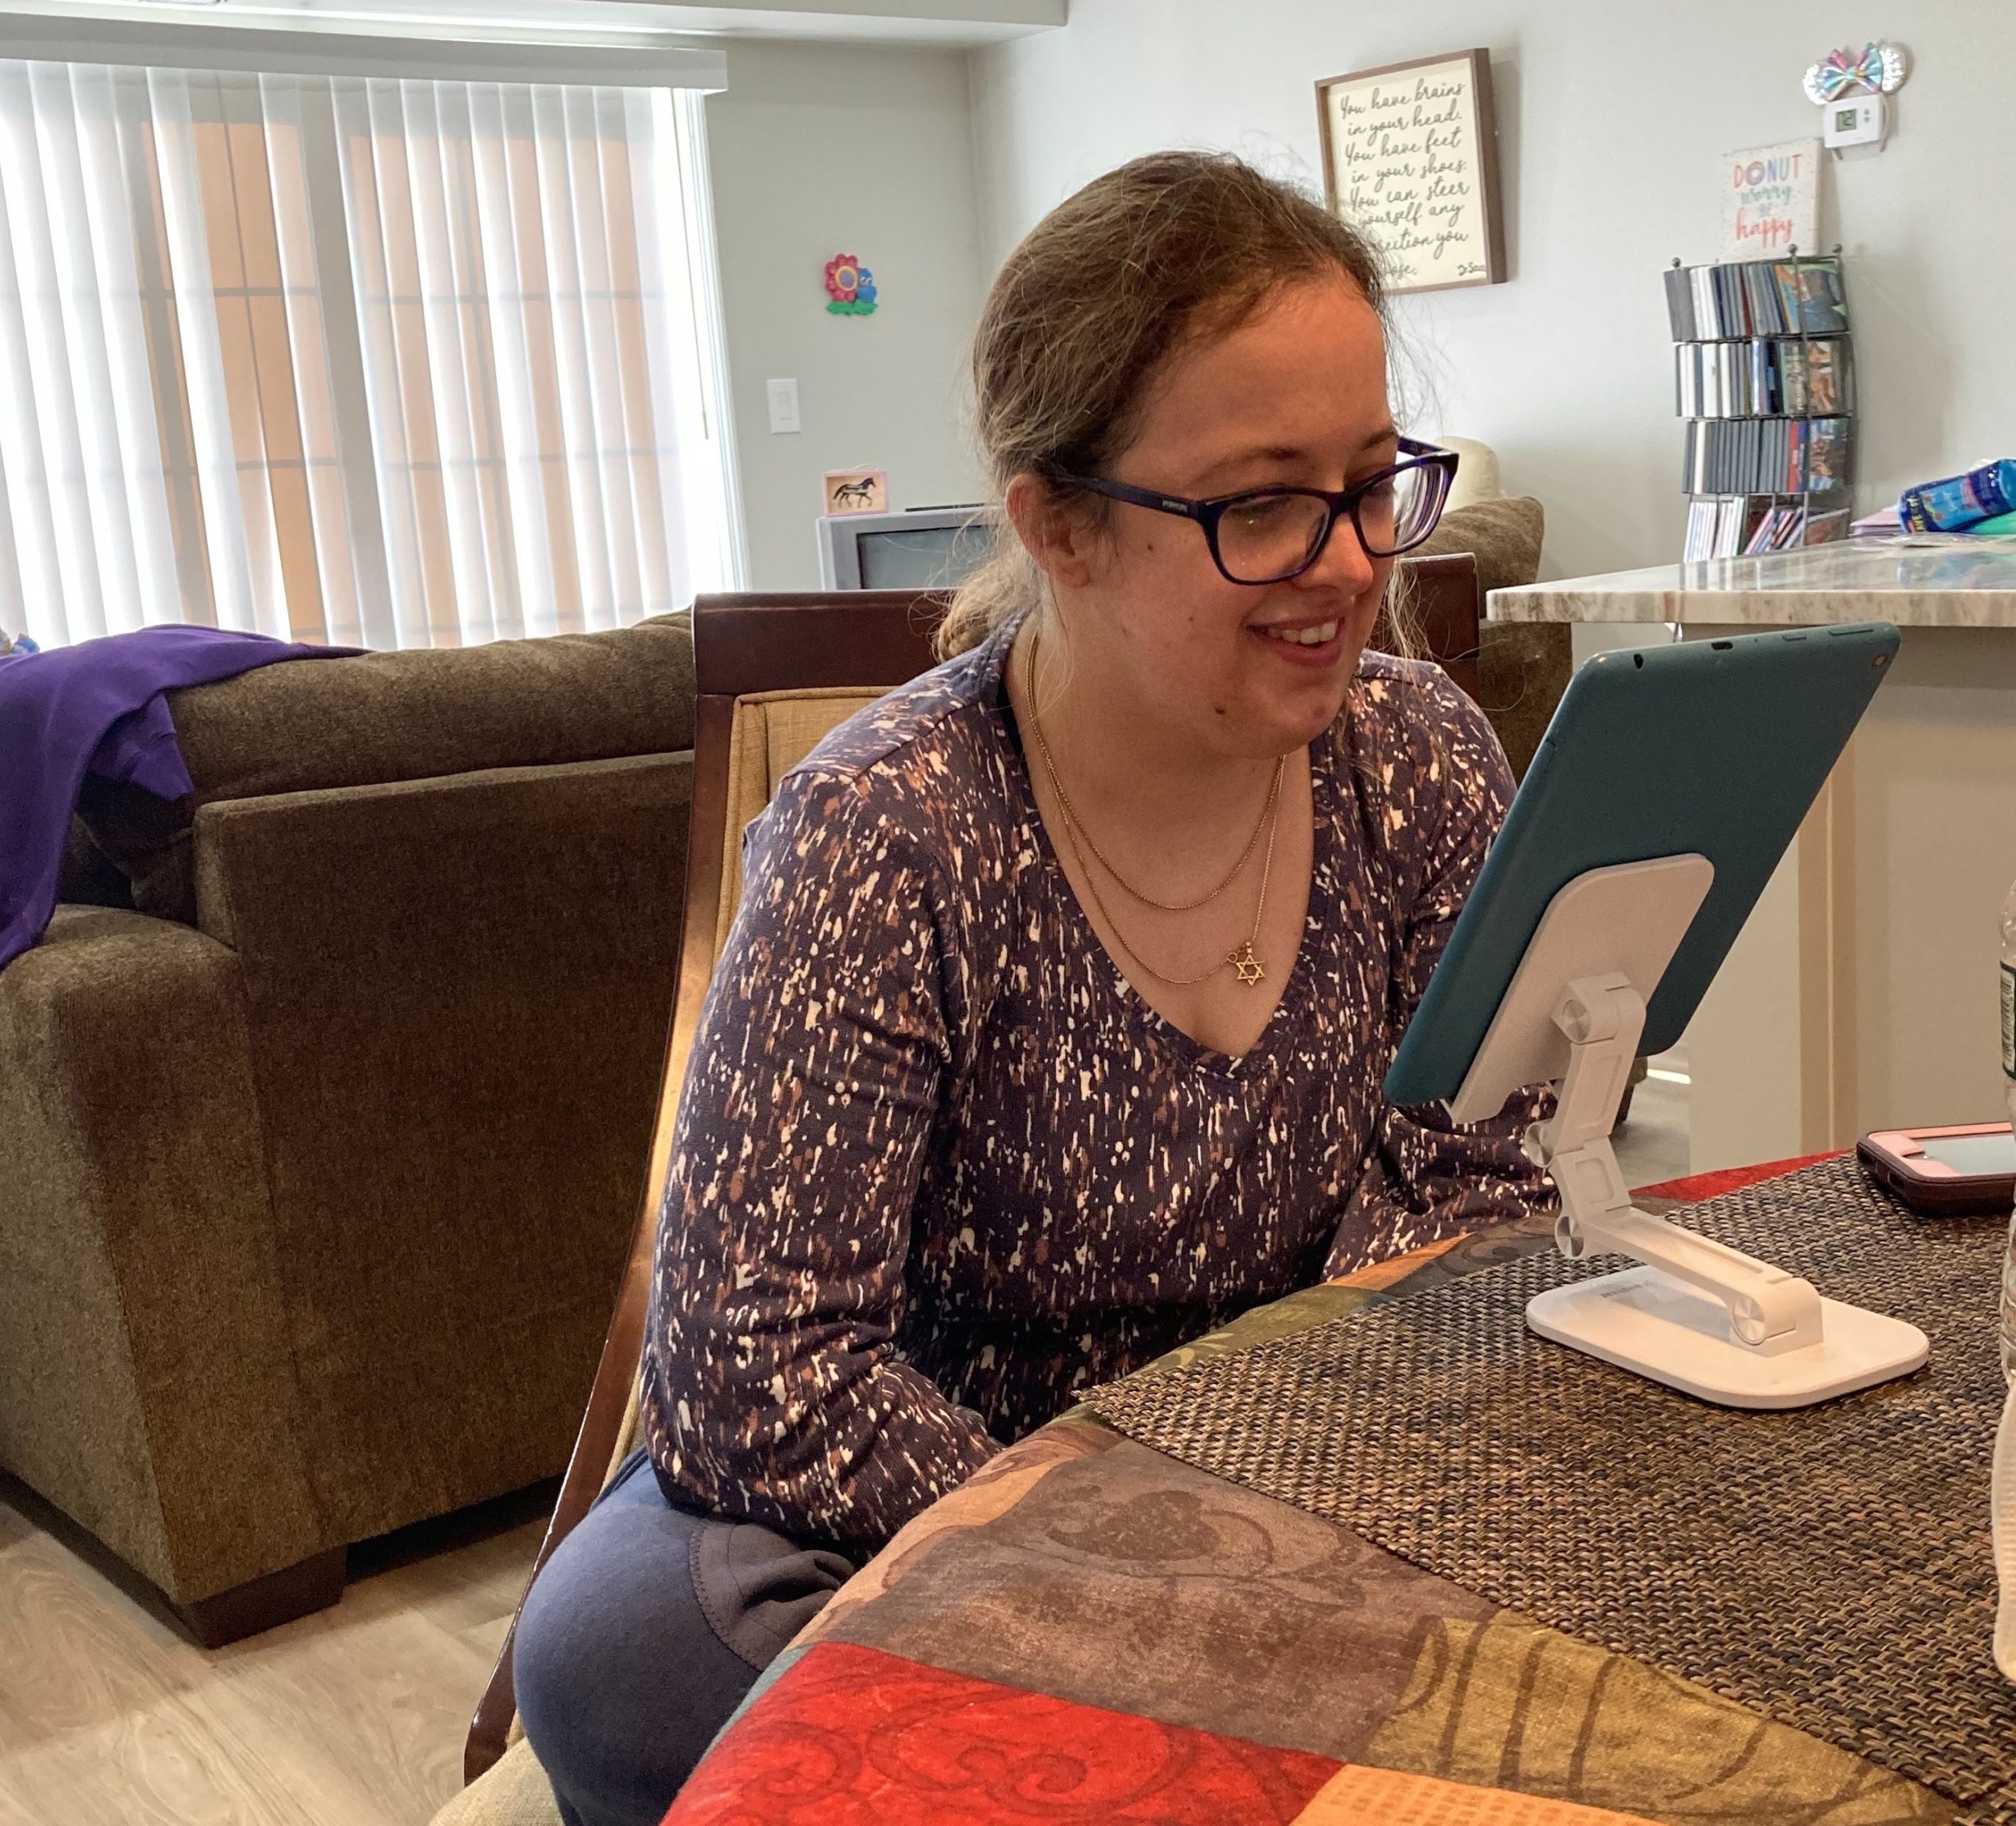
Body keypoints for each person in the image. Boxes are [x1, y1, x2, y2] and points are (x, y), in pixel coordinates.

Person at [512, 149, 1553, 1826]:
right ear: (1053, 522)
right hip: (938, 1502)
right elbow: (761, 1369)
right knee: (622, 1653)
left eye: (1372, 481)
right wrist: (1147, 1540)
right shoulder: (884, 832)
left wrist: (1310, 1460)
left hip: (1322, 1447)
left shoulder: (1414, 751)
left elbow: (1479, 1168)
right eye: (1261, 502)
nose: (1351, 562)